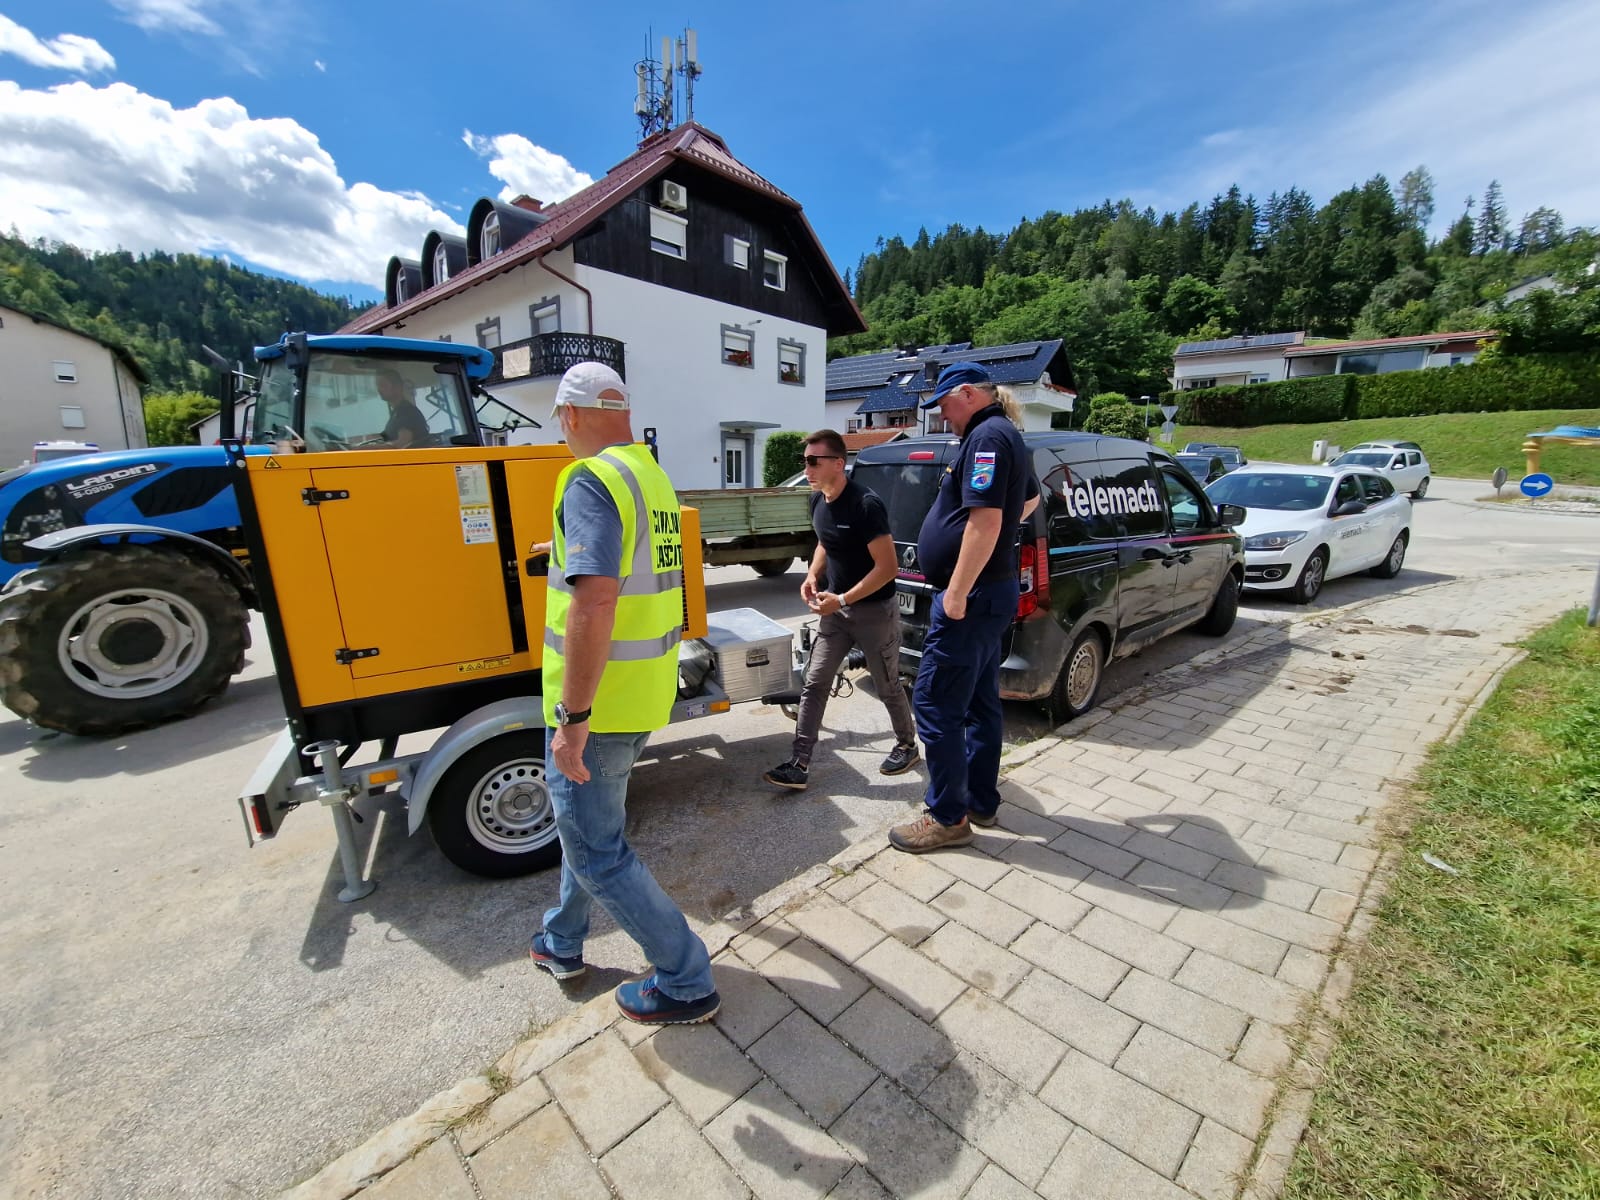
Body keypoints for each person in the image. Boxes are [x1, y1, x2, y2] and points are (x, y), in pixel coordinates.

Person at [527, 361, 720, 1025]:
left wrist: (573, 717)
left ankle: (687, 979)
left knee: (597, 851)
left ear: (571, 413)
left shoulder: (589, 478)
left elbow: (597, 601)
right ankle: (561, 940)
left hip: (599, 706)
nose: (561, 430)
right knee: (585, 831)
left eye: (560, 420)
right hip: (641, 694)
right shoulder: (649, 476)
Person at [889, 362, 1039, 853]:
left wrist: (956, 590)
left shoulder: (988, 438)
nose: (942, 415)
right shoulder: (1004, 433)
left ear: (969, 394)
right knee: (978, 701)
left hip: (970, 598)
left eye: (945, 405)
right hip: (988, 593)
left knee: (935, 703)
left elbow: (986, 520)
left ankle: (947, 818)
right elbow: (1030, 500)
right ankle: (980, 801)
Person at [763, 430, 919, 791]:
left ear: (838, 463)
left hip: (874, 613)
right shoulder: (818, 501)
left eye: (813, 461)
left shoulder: (866, 505)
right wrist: (811, 575)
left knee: (887, 685)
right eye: (804, 461)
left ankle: (907, 744)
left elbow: (888, 568)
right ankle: (799, 763)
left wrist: (844, 599)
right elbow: (825, 541)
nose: (807, 468)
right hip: (835, 612)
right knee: (815, 681)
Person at [359, 369, 430, 448]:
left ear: (397, 387)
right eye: (377, 386)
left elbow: (403, 443)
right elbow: (384, 437)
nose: (379, 389)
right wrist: (358, 443)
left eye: (383, 385)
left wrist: (363, 449)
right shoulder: (397, 413)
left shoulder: (406, 411)